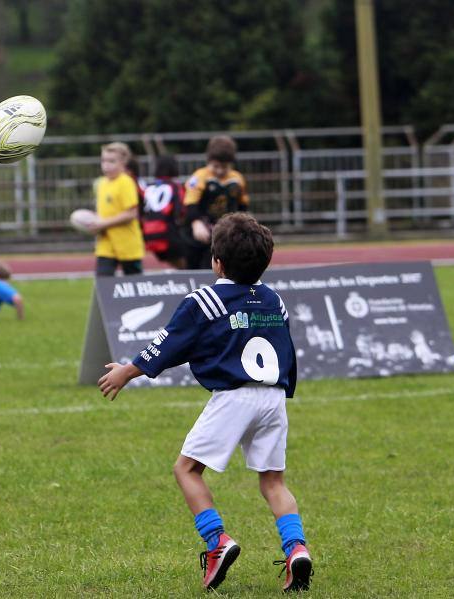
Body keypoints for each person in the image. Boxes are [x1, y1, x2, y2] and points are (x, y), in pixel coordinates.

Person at [98, 213, 312, 592]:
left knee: (186, 470)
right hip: (274, 397)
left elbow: (169, 343)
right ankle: (296, 548)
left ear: (216, 262)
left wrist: (126, 372)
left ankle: (217, 542)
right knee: (273, 482)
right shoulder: (274, 300)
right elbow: (287, 352)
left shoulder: (205, 299)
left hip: (234, 397)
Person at [181, 136, 249, 270]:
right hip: (199, 233)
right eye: (215, 166)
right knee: (193, 267)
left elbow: (242, 207)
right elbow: (190, 203)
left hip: (224, 235)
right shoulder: (200, 176)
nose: (219, 171)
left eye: (224, 167)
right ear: (208, 161)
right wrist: (196, 224)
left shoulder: (237, 179)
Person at [88, 142, 145, 277]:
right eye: (103, 161)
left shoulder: (125, 182)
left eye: (112, 161)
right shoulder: (102, 184)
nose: (106, 165)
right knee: (103, 283)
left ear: (124, 162)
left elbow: (131, 213)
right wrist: (94, 222)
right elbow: (103, 212)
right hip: (106, 245)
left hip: (127, 244)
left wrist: (103, 223)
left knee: (135, 286)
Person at [140, 155, 185, 269]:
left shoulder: (149, 188)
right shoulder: (175, 187)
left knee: (177, 265)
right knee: (187, 266)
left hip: (149, 236)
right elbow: (181, 212)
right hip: (168, 235)